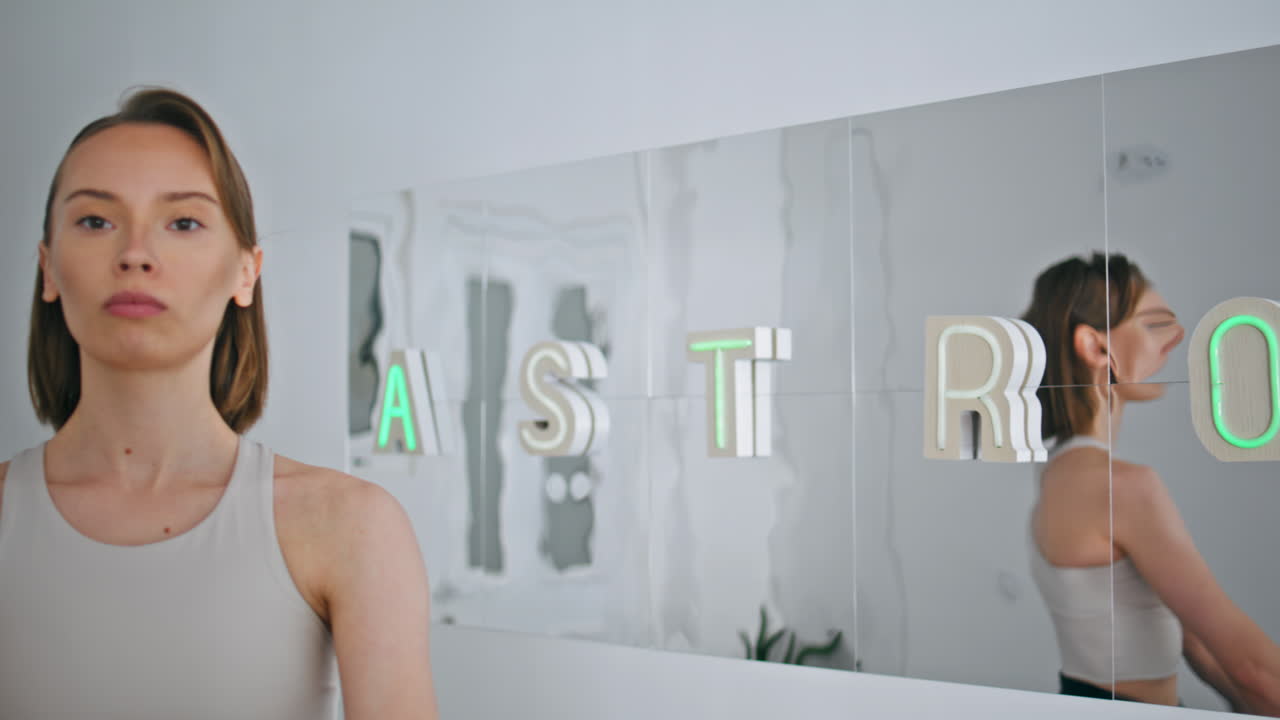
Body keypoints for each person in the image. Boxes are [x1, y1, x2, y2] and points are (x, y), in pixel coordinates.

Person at [0, 88, 439, 719]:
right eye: (96, 220)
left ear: (245, 273)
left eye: (183, 222)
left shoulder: (349, 527)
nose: (134, 254)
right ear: (48, 268)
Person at [1022, 252, 1280, 713]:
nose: (1173, 341)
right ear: (1097, 347)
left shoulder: (1057, 470)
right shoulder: (1121, 485)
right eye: (1152, 325)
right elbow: (1253, 669)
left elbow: (1201, 645)